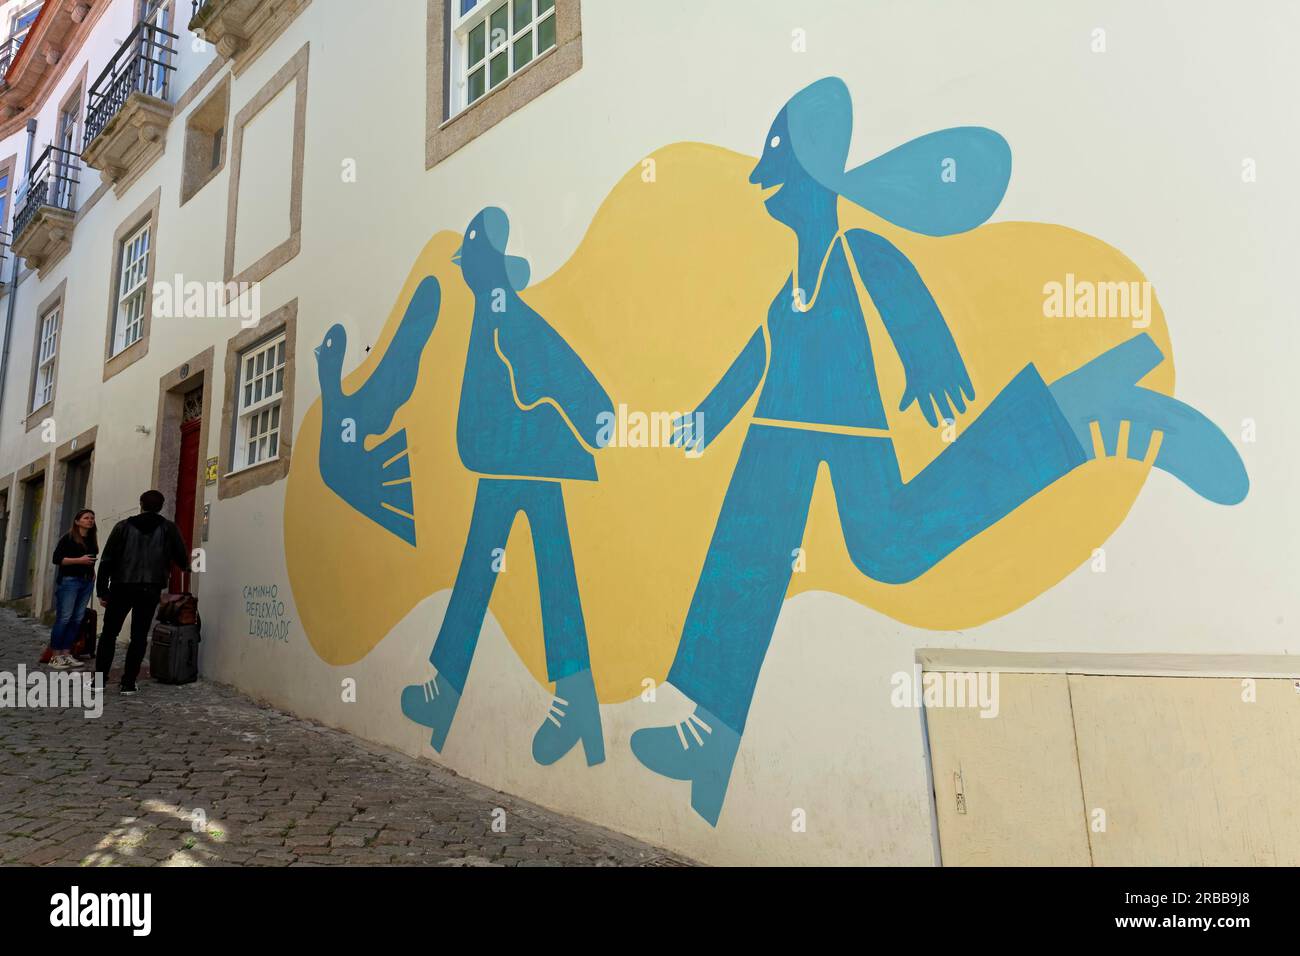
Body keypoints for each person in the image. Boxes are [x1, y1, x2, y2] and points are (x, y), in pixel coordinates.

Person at [629, 77, 1250, 825]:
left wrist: (930, 363)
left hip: (848, 436)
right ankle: (714, 733)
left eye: (778, 175)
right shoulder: (789, 285)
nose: (767, 190)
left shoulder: (854, 250)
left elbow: (902, 296)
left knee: (885, 546)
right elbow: (753, 360)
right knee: (751, 536)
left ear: (810, 182)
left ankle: (1076, 416)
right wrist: (697, 423)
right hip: (784, 439)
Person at [399, 207, 613, 767]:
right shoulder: (489, 312)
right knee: (504, 567)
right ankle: (558, 699)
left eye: (469, 259)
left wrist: (593, 419)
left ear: (482, 261)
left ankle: (569, 700)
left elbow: (568, 375)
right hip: (505, 468)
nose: (465, 268)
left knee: (542, 571)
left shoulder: (508, 316)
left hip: (529, 467)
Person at [95, 490, 190, 695]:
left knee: (109, 634)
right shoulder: (168, 528)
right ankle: (128, 682)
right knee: (139, 636)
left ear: (141, 504)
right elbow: (182, 558)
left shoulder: (123, 527)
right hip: (150, 588)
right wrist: (186, 567)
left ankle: (99, 681)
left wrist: (102, 590)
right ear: (161, 505)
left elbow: (107, 559)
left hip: (122, 586)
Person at [45, 509, 98, 670]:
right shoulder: (67, 539)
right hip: (69, 582)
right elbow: (57, 559)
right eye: (86, 518)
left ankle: (67, 654)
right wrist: (79, 561)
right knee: (64, 618)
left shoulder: (91, 539)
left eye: (92, 518)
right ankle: (55, 655)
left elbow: (91, 559)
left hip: (86, 582)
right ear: (77, 521)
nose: (90, 520)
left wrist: (92, 572)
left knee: (77, 619)